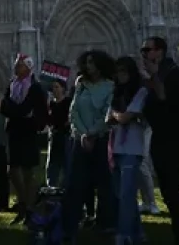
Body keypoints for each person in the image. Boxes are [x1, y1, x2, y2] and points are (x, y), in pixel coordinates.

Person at [140, 36, 179, 245]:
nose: (144, 53)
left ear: (159, 51)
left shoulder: (173, 73)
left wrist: (154, 77)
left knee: (172, 189)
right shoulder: (159, 73)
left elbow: (165, 99)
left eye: (148, 49)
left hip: (173, 139)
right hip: (159, 135)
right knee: (168, 190)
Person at [63, 50, 116, 237]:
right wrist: (83, 134)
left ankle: (105, 222)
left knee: (104, 183)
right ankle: (71, 222)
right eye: (86, 62)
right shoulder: (81, 85)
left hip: (101, 140)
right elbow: (73, 111)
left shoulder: (110, 86)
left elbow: (107, 113)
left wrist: (92, 133)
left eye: (92, 63)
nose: (88, 66)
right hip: (80, 140)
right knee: (75, 183)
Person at [0, 53, 47, 225]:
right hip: (14, 131)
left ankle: (29, 208)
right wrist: (17, 111)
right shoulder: (12, 85)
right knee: (12, 170)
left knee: (28, 171)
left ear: (28, 68)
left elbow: (29, 108)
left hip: (28, 131)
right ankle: (23, 202)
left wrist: (17, 112)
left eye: (19, 65)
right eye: (16, 64)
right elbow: (5, 106)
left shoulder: (34, 87)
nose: (16, 67)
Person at [109, 56, 151, 245]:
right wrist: (117, 116)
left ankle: (124, 234)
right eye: (118, 72)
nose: (121, 75)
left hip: (133, 148)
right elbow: (108, 118)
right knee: (122, 194)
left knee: (127, 193)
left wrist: (116, 115)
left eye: (124, 71)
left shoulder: (141, 92)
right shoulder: (116, 93)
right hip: (116, 147)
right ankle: (138, 233)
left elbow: (124, 117)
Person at [46, 80, 71, 188]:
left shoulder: (68, 102)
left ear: (63, 89)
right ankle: (51, 188)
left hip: (66, 136)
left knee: (67, 163)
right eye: (53, 87)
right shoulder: (51, 104)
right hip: (54, 136)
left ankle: (66, 188)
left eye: (57, 87)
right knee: (52, 164)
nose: (54, 89)